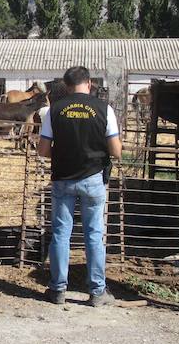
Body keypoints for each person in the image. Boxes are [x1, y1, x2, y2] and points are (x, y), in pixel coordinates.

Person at [38, 67, 122, 306]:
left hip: (63, 178)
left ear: (66, 85)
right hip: (94, 178)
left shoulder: (53, 110)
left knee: (61, 233)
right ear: (89, 83)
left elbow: (43, 150)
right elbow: (116, 151)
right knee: (94, 234)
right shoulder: (104, 109)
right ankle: (97, 292)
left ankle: (57, 290)